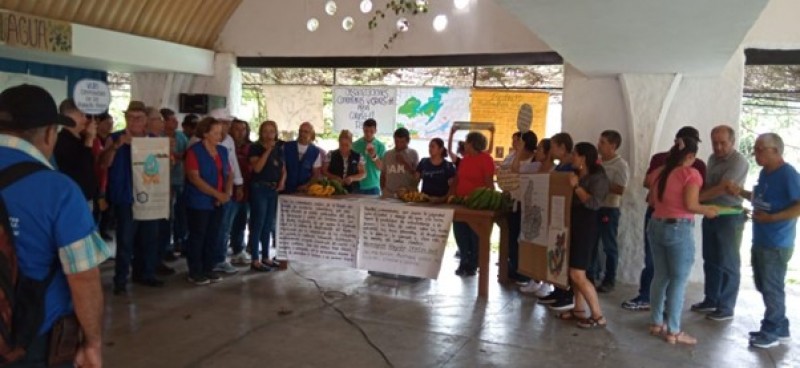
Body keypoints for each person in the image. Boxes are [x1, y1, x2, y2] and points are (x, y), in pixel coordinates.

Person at [0, 84, 110, 367]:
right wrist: (92, 343)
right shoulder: (57, 190)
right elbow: (83, 278)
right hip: (31, 338)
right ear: (50, 133)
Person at [622, 126, 707, 311]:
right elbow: (647, 182)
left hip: (678, 218)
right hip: (659, 214)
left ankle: (665, 309)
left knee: (673, 269)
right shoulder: (661, 159)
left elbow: (699, 193)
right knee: (655, 262)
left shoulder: (698, 165)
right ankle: (650, 301)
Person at [728, 133, 799, 349]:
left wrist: (772, 218)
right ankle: (781, 326)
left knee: (771, 287)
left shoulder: (788, 174)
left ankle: (771, 330)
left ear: (776, 151)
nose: (755, 153)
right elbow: (761, 199)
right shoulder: (765, 174)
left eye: (760, 149)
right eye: (755, 149)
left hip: (777, 241)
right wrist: (740, 192)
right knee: (763, 284)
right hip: (761, 238)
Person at [647, 136, 718, 345]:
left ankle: (656, 322)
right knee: (678, 280)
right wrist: (709, 210)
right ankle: (674, 331)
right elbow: (691, 205)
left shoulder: (660, 173)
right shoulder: (691, 173)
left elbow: (652, 200)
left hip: (656, 224)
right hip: (678, 228)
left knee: (660, 276)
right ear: (690, 156)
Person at [101, 101, 164, 294]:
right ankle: (120, 280)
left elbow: (162, 168)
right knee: (125, 240)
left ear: (146, 120)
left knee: (149, 239)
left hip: (149, 196)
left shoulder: (153, 140)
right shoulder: (115, 138)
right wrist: (118, 145)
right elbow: (104, 164)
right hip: (125, 196)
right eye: (130, 117)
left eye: (139, 117)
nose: (134, 121)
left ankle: (145, 274)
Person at [690, 125, 749, 321]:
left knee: (728, 262)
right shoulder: (712, 159)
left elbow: (722, 188)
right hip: (711, 213)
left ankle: (726, 306)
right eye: (715, 143)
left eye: (723, 143)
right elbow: (709, 185)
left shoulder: (738, 161)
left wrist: (694, 200)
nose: (718, 147)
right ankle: (711, 299)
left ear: (732, 142)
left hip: (730, 216)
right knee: (711, 259)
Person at [558, 143, 610, 328]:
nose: (572, 157)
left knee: (578, 272)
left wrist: (577, 186)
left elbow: (594, 203)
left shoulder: (598, 178)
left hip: (587, 226)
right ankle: (579, 308)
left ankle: (597, 315)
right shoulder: (578, 174)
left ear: (583, 158)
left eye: (575, 154)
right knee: (573, 271)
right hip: (574, 225)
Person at [184, 117, 232, 285]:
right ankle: (195, 271)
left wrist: (226, 192)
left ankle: (208, 268)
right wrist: (216, 194)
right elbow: (194, 178)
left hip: (218, 201)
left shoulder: (223, 151)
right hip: (199, 201)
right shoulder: (194, 151)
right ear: (205, 133)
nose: (219, 136)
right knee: (198, 236)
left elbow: (229, 173)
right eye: (216, 132)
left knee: (213, 234)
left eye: (221, 132)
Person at [539, 132, 576, 310]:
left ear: (562, 147)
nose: (551, 150)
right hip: (554, 215)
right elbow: (546, 175)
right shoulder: (559, 166)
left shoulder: (571, 167)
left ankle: (567, 294)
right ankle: (557, 289)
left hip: (566, 215)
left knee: (565, 254)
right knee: (555, 253)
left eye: (553, 147)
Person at [590, 130, 630, 292]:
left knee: (609, 246)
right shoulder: (598, 163)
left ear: (613, 146)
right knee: (592, 244)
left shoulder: (621, 165)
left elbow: (621, 189)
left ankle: (609, 279)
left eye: (603, 143)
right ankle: (592, 275)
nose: (599, 145)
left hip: (609, 209)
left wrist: (601, 183)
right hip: (595, 207)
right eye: (599, 141)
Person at [452, 132, 495, 276]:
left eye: (466, 141)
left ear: (472, 143)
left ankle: (473, 263)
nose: (464, 144)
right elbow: (458, 178)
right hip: (461, 201)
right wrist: (450, 194)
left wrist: (491, 199)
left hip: (477, 204)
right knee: (460, 232)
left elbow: (489, 181)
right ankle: (463, 260)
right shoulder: (465, 159)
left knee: (474, 235)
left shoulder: (486, 159)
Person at [207, 109, 244, 275]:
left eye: (228, 123)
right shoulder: (205, 141)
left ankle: (219, 258)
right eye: (225, 123)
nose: (228, 126)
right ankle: (214, 260)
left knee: (224, 225)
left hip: (227, 189)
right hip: (213, 189)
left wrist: (238, 183)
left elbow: (232, 164)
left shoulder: (228, 139)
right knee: (216, 226)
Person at [519, 138, 557, 296]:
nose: (537, 151)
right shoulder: (535, 166)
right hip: (533, 212)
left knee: (547, 246)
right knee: (534, 245)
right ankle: (535, 279)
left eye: (540, 149)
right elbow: (516, 169)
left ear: (548, 152)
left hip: (547, 212)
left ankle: (547, 282)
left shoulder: (555, 170)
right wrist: (519, 151)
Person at [248, 121, 285, 272]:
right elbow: (257, 168)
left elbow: (283, 167)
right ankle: (255, 259)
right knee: (258, 223)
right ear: (261, 133)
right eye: (266, 131)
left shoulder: (279, 148)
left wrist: (282, 181)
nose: (269, 134)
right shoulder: (255, 147)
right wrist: (267, 151)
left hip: (273, 188)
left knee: (269, 224)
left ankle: (266, 256)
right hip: (259, 188)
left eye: (272, 131)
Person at [145, 108, 177, 276]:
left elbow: (169, 167)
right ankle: (149, 266)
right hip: (150, 193)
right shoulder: (144, 142)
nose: (162, 123)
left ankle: (158, 260)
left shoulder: (163, 140)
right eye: (158, 119)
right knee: (152, 232)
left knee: (164, 229)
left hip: (165, 191)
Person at [506, 131, 539, 283]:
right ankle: (514, 268)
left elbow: (517, 170)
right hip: (514, 201)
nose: (514, 144)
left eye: (517, 141)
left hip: (529, 204)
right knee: (512, 237)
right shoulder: (514, 156)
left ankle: (526, 272)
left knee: (526, 239)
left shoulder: (535, 160)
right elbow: (510, 171)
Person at [54, 99, 98, 206]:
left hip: (88, 196)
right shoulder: (60, 140)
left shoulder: (82, 138)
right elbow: (79, 168)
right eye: (81, 115)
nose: (85, 119)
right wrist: (89, 140)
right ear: (68, 116)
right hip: (73, 199)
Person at [163, 108, 188, 258]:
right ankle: (166, 247)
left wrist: (176, 156)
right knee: (167, 216)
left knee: (181, 214)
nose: (176, 122)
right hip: (165, 182)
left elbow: (187, 154)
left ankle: (181, 242)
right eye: (172, 120)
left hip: (181, 179)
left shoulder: (181, 136)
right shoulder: (158, 137)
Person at [228, 119, 252, 266]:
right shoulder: (227, 145)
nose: (240, 132)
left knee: (241, 221)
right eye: (237, 129)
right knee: (226, 223)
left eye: (243, 129)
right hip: (230, 190)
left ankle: (238, 249)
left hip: (246, 190)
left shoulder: (250, 147)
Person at [283, 122, 322, 194]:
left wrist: (307, 185)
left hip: (304, 191)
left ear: (311, 134)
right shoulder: (287, 146)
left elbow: (316, 174)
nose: (302, 134)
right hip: (286, 189)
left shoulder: (315, 152)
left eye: (306, 132)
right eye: (300, 131)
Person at [92, 113, 114, 241]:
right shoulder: (93, 139)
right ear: (98, 122)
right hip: (96, 179)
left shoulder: (112, 138)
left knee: (107, 208)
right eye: (107, 123)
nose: (110, 126)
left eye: (111, 123)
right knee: (96, 208)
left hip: (108, 179)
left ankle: (104, 230)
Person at [381, 127, 419, 198]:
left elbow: (416, 175)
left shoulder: (413, 153)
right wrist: (383, 190)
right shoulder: (387, 154)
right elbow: (383, 174)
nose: (398, 144)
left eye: (402, 142)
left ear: (408, 141)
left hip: (406, 195)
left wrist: (404, 162)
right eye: (396, 141)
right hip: (388, 194)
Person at [352, 118, 385, 195]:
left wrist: (374, 156)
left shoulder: (381, 146)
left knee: (373, 207)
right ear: (363, 129)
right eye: (366, 131)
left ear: (375, 131)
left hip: (373, 185)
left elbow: (381, 168)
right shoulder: (355, 145)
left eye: (371, 131)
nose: (368, 134)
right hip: (357, 184)